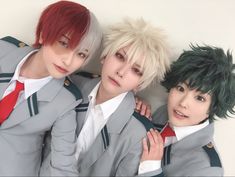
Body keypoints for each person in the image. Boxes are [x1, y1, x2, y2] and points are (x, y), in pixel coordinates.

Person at [0, 1, 102, 176]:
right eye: (64, 43)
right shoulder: (4, 49)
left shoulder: (66, 100)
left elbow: (62, 165)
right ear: (42, 34)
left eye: (81, 54)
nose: (69, 61)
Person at [70, 18, 170, 176]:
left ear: (140, 84)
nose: (121, 72)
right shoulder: (73, 85)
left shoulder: (138, 133)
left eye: (136, 70)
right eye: (120, 57)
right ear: (104, 56)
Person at [138, 45, 235, 176]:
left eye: (200, 98)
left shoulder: (208, 169)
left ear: (214, 108)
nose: (183, 103)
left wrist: (151, 168)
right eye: (180, 88)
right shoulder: (163, 114)